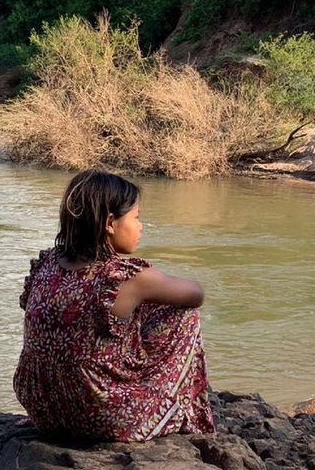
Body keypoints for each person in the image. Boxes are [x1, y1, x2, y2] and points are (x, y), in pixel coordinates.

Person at [13, 169, 215, 442]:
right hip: (101, 417)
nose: (142, 226)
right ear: (110, 222)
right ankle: (185, 413)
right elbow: (196, 294)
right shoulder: (124, 277)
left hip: (44, 411)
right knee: (184, 314)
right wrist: (147, 293)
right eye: (136, 217)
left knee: (124, 312)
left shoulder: (46, 264)